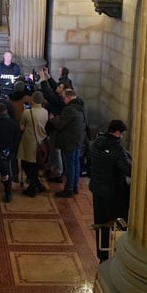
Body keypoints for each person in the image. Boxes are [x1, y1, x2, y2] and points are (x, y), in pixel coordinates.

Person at [88, 120, 132, 261]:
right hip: (114, 193)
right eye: (122, 134)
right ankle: (119, 255)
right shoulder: (117, 149)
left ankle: (102, 257)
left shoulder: (95, 144)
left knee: (101, 225)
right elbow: (128, 169)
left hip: (97, 191)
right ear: (118, 133)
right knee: (121, 223)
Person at [48, 88, 86, 198]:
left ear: (69, 97)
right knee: (75, 163)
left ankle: (69, 189)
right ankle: (74, 186)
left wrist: (53, 119)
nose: (63, 100)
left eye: (64, 97)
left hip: (70, 141)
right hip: (77, 140)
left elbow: (60, 125)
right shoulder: (80, 105)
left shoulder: (70, 109)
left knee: (70, 165)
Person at [18, 90, 49, 196]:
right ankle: (38, 184)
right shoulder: (45, 112)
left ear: (33, 100)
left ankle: (33, 188)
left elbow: (21, 127)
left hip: (29, 141)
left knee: (26, 164)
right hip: (41, 140)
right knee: (35, 164)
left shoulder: (28, 112)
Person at [0, 103, 20, 204]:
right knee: (6, 173)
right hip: (7, 151)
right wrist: (12, 149)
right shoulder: (13, 123)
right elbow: (17, 137)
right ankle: (8, 194)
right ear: (6, 111)